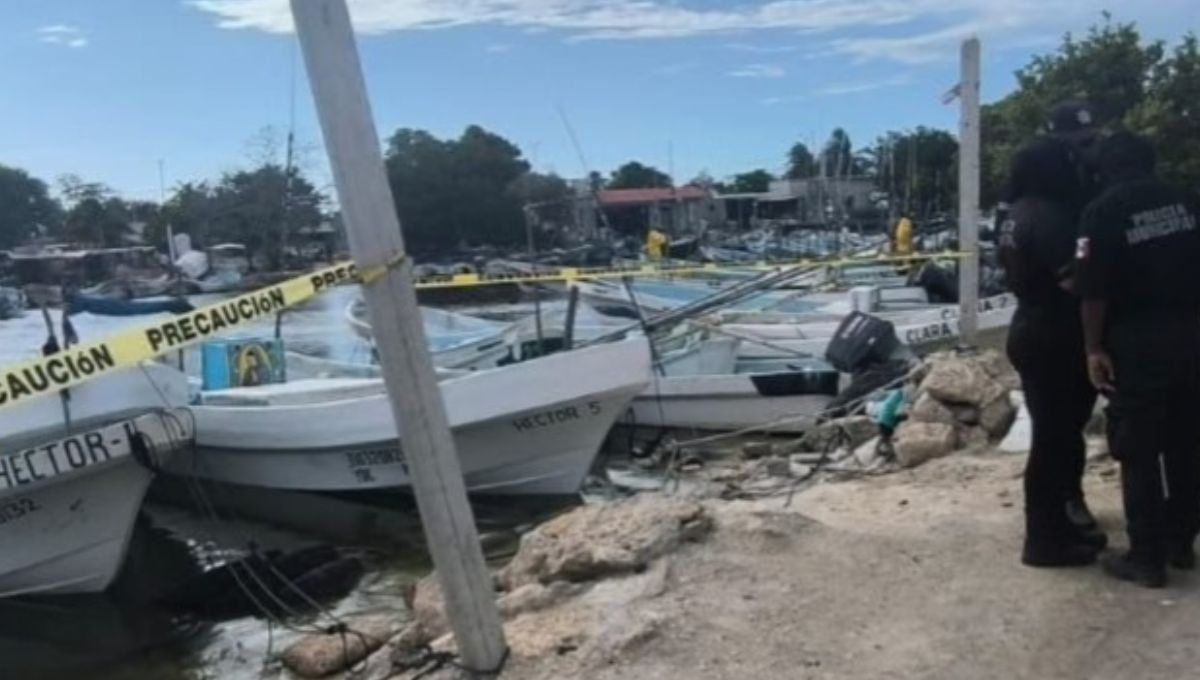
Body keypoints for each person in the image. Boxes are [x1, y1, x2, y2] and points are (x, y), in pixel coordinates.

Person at [1076, 131, 1200, 588]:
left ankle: (1146, 557)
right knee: (1188, 443)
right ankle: (1180, 541)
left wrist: (1093, 347)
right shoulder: (1187, 201)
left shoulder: (1101, 212)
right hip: (1192, 333)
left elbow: (1092, 291)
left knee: (1138, 449)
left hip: (1137, 341)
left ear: (1106, 168)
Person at [999, 136, 1107, 567]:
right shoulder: (1050, 217)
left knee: (1055, 436)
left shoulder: (1015, 213)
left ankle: (1058, 528)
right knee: (1054, 442)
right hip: (1055, 335)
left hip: (1028, 326)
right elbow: (1074, 282)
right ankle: (1044, 540)